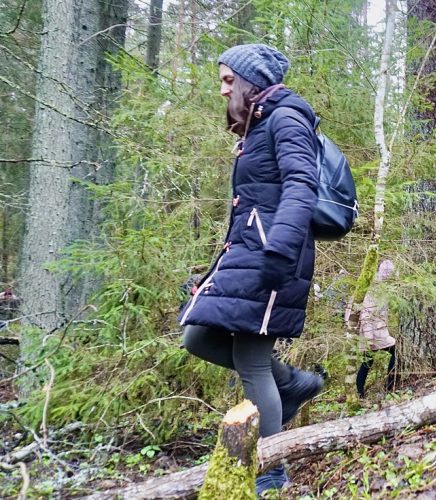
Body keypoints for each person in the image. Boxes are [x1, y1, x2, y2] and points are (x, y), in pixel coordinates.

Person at [177, 44, 324, 494]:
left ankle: (272, 472)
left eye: (228, 80)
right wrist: (213, 271)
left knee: (252, 360)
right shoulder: (256, 129)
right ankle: (294, 385)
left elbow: (303, 184)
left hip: (276, 253)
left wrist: (279, 248)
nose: (222, 90)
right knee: (197, 335)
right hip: (248, 252)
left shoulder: (286, 118)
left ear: (251, 82)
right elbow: (249, 211)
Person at [351, 260, 398, 397]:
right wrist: (369, 338)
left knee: (367, 363)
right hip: (374, 334)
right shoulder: (374, 289)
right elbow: (366, 314)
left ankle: (359, 393)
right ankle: (389, 386)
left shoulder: (381, 287)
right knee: (396, 352)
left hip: (377, 332)